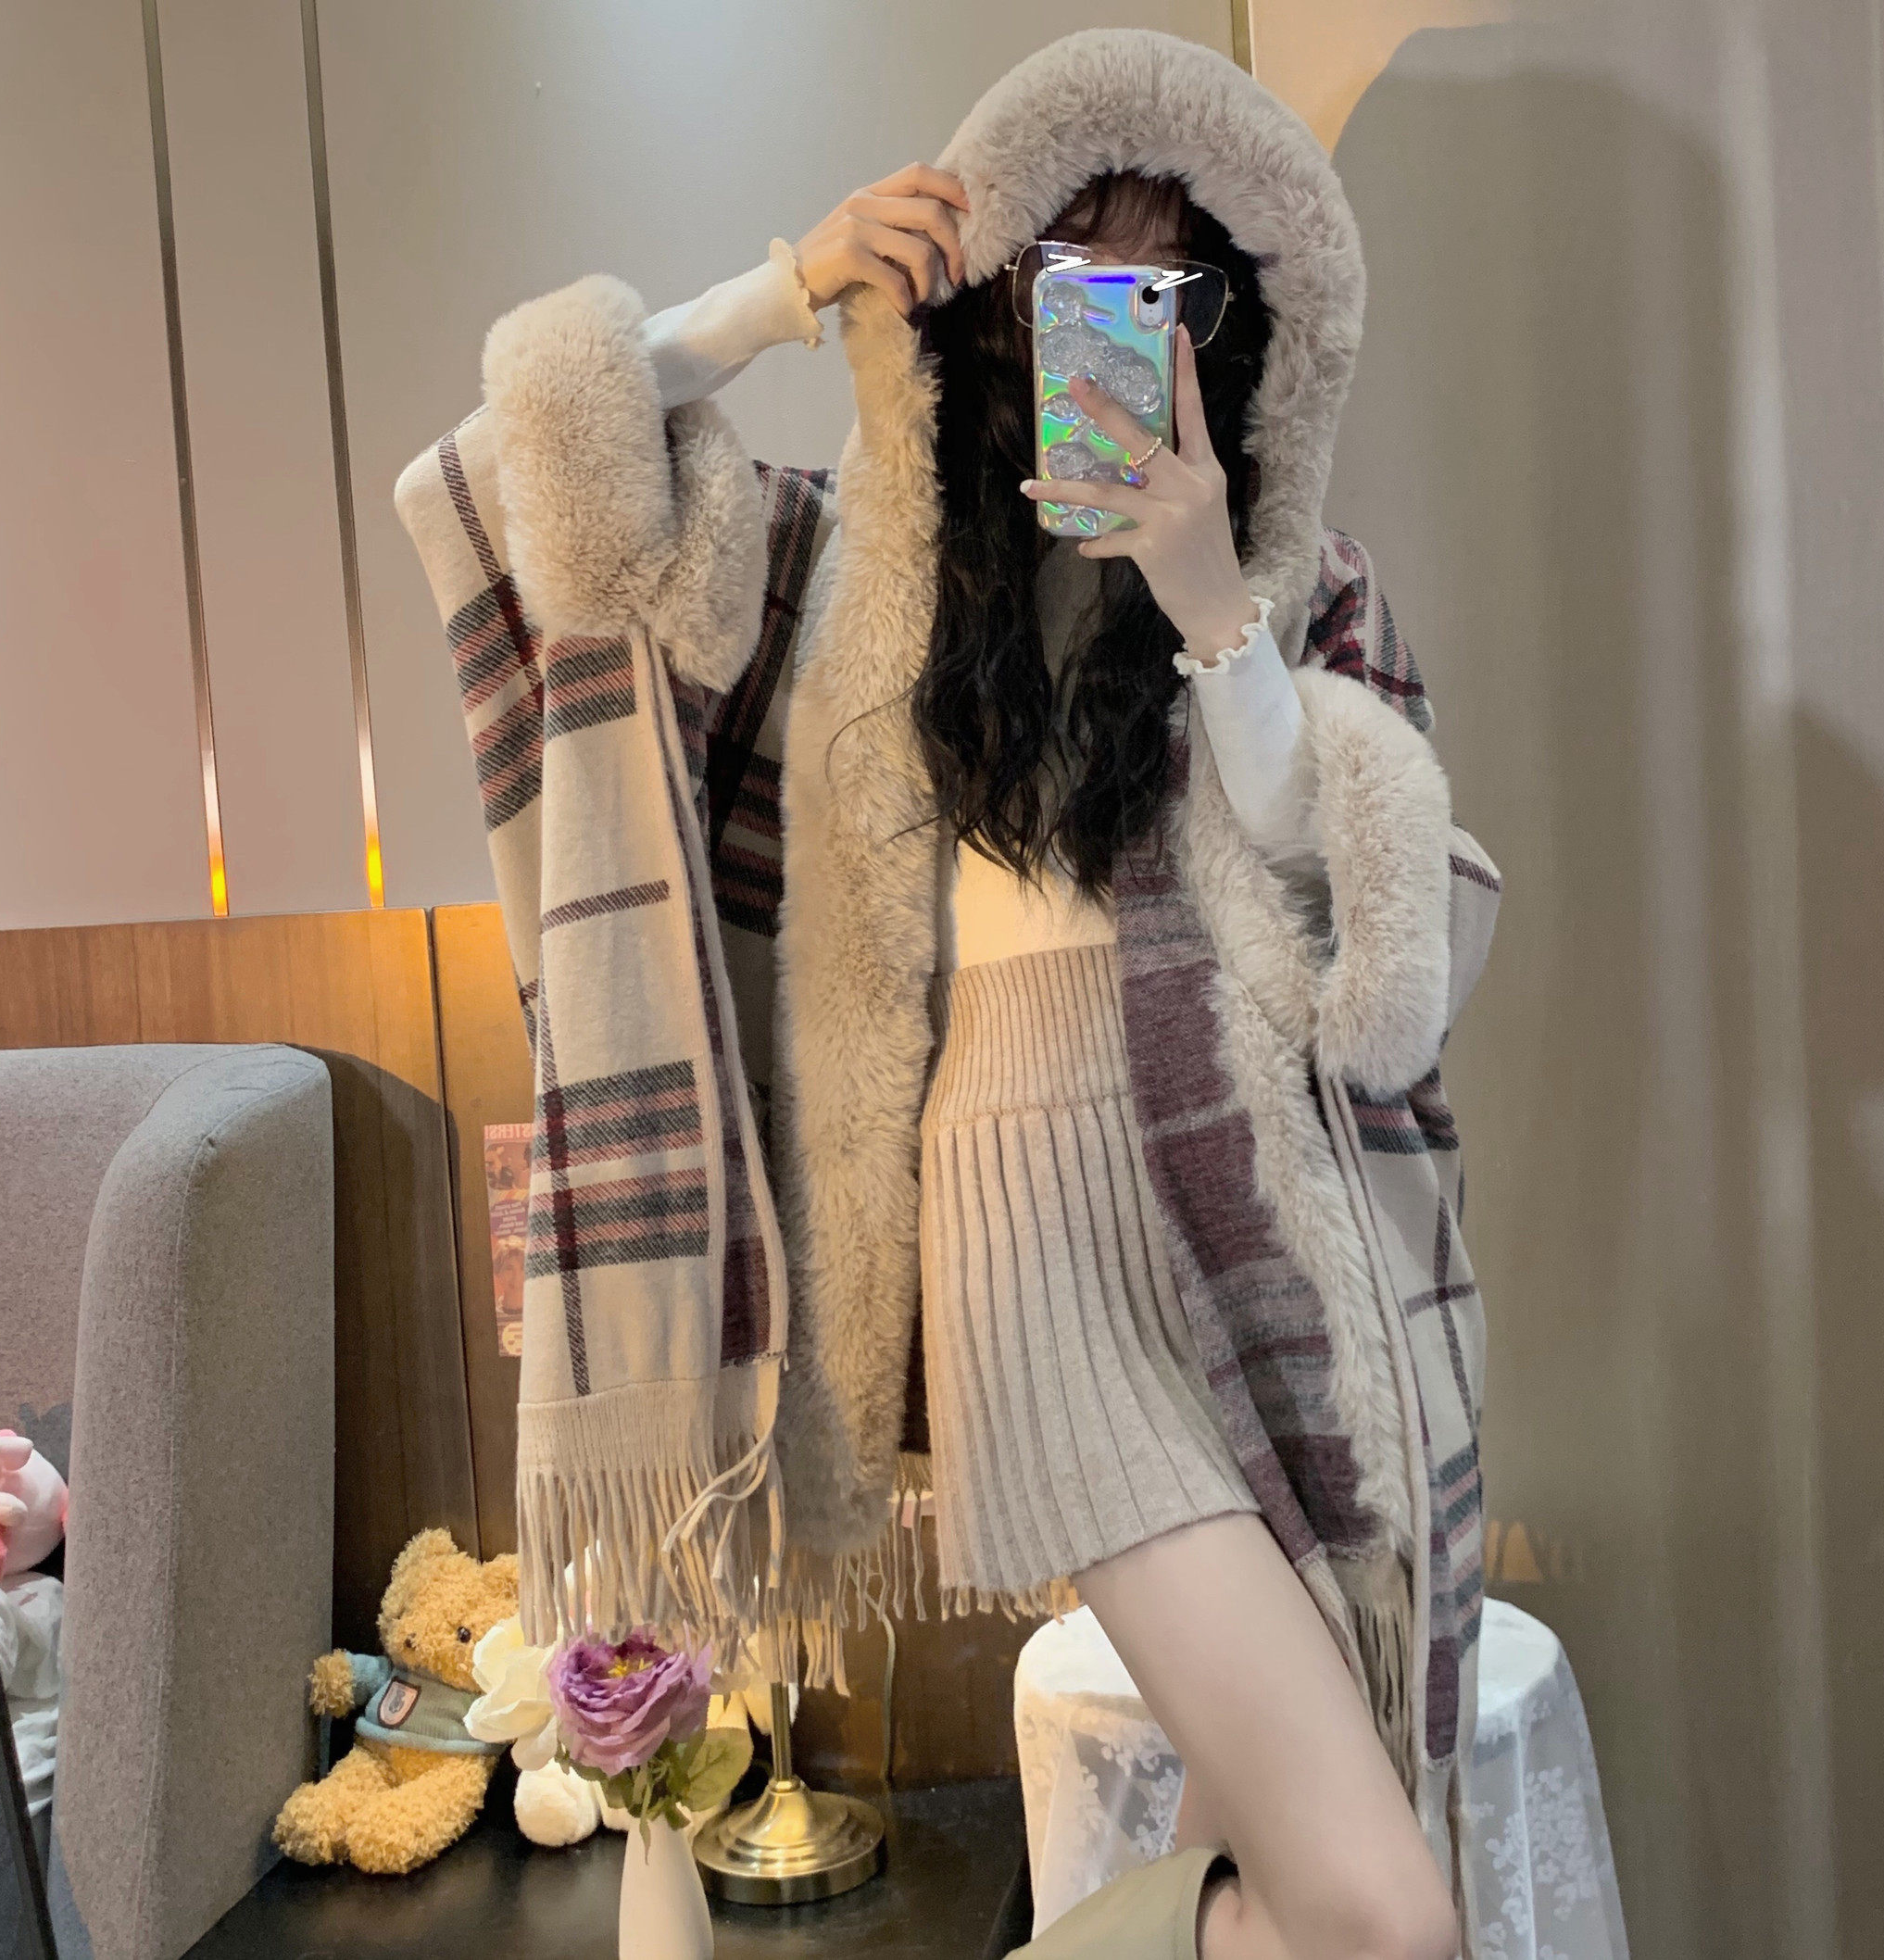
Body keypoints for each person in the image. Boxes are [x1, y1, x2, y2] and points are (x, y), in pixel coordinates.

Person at [400, 29, 1497, 1960]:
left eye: (1164, 290)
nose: (1114, 333)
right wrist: (786, 287)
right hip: (1032, 1251)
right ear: (998, 301)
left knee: (1308, 1878)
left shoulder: (1297, 590)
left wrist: (1208, 604)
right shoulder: (863, 576)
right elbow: (518, 469)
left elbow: (1370, 949)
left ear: (1235, 329)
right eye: (1072, 279)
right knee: (1384, 1917)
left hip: (1243, 1243)